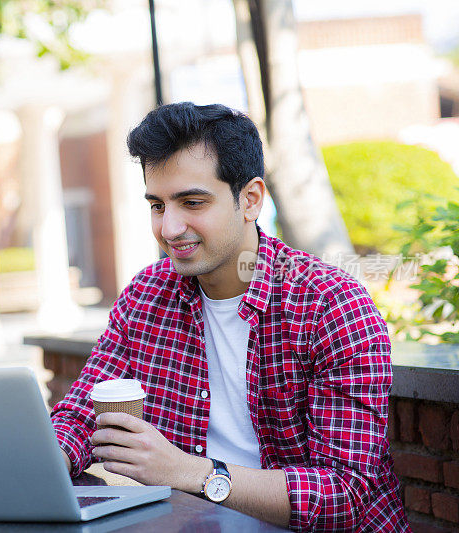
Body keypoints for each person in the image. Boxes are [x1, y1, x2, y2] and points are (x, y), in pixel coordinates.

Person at [50, 103, 409, 532]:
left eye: (192, 202)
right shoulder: (146, 296)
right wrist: (41, 460)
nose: (169, 228)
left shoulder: (331, 305)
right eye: (157, 206)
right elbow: (77, 416)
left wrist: (190, 472)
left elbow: (345, 494)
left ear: (250, 200)